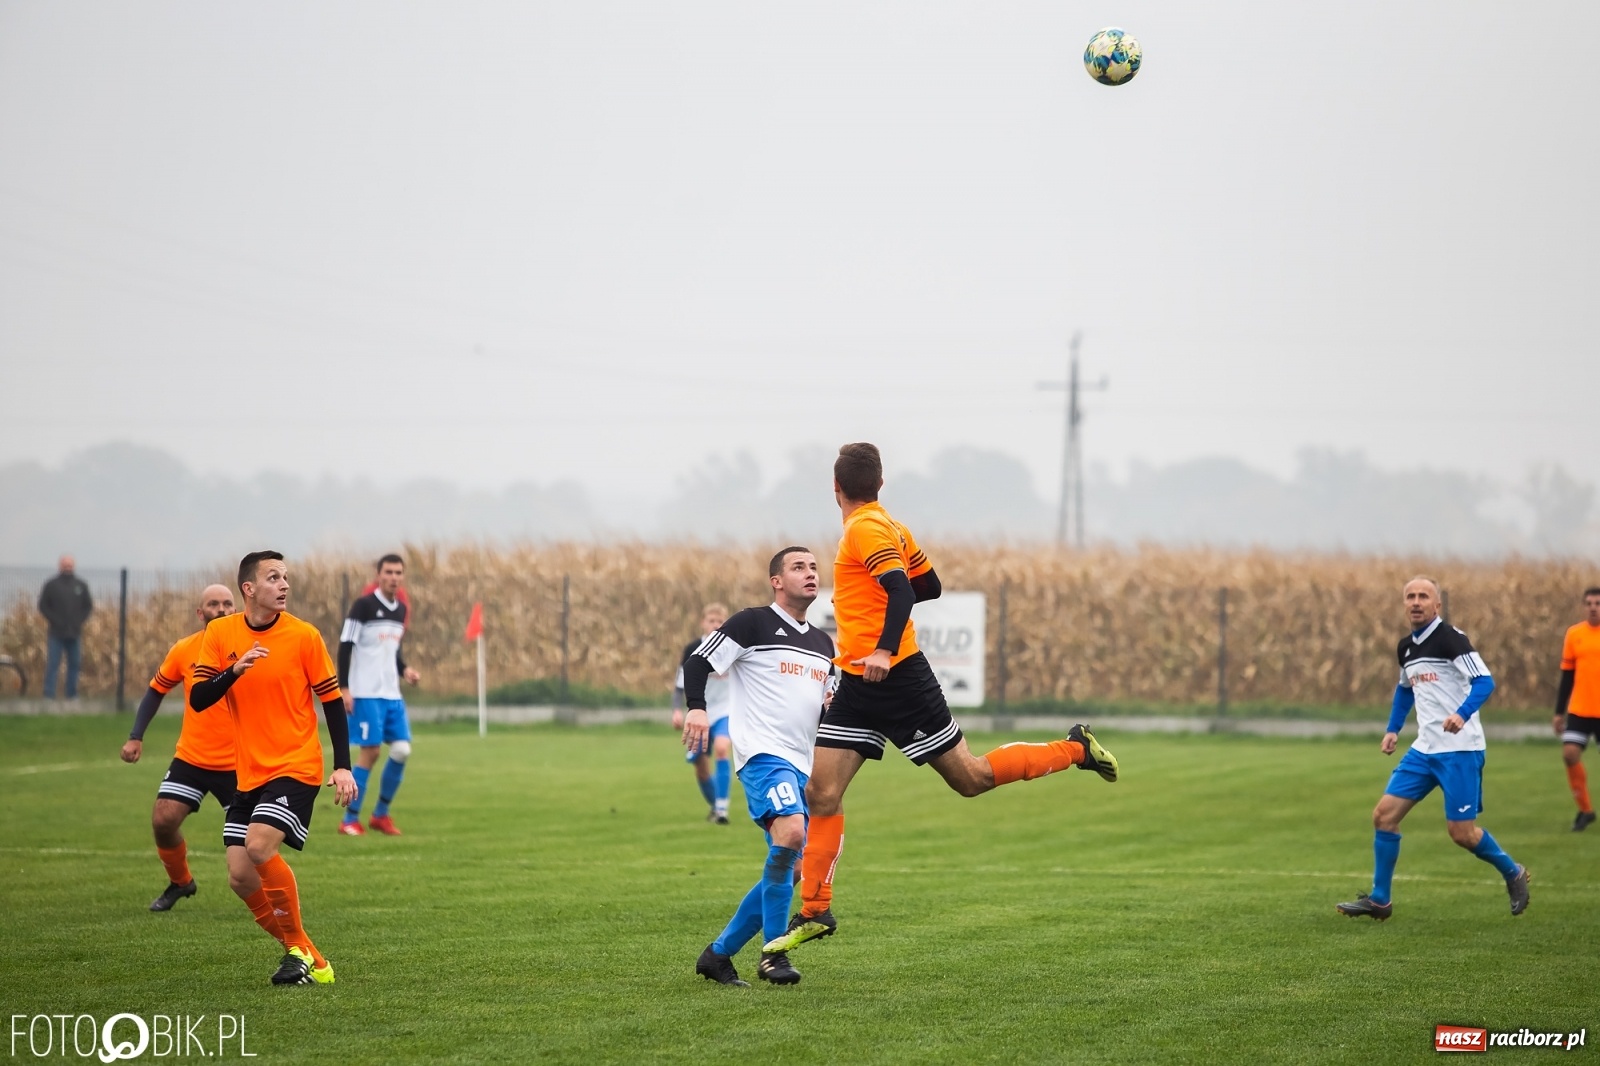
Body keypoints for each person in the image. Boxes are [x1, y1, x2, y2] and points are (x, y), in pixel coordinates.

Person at [769, 443, 1118, 955]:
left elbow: (907, 591)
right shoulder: (890, 526)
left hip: (898, 675)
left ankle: (1075, 748)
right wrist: (874, 611)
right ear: (880, 485)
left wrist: (885, 647)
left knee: (970, 779)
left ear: (835, 488)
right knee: (822, 793)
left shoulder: (866, 528)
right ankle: (816, 911)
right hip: (856, 680)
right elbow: (929, 583)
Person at [189, 551, 357, 985]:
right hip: (249, 774)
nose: (284, 585)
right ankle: (309, 957)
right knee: (241, 877)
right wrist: (233, 671)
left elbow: (332, 702)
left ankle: (297, 955)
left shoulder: (304, 636)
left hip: (297, 765)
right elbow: (199, 698)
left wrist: (343, 767)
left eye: (286, 577)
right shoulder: (221, 633)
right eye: (273, 578)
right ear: (249, 588)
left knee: (260, 846)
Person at [684, 547, 836, 987]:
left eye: (813, 567)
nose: (810, 574)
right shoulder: (750, 623)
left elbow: (822, 710)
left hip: (800, 763)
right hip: (762, 756)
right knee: (791, 833)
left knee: (789, 867)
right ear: (776, 580)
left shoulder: (825, 644)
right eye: (798, 567)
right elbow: (699, 660)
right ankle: (773, 955)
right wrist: (696, 708)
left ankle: (718, 954)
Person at [1337, 577, 1530, 921]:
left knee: (1462, 834)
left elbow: (1485, 681)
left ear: (1436, 605)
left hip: (1460, 750)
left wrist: (1462, 713)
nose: (1415, 602)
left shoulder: (1451, 640)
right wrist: (1393, 729)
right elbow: (1405, 689)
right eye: (1410, 596)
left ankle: (1512, 871)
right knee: (1383, 816)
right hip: (1424, 750)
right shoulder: (1406, 647)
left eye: (1423, 596)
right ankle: (1380, 900)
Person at [120, 584, 238, 911]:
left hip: (240, 762)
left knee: (250, 846)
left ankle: (272, 899)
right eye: (213, 604)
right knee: (163, 820)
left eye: (228, 603)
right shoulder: (185, 649)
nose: (222, 609)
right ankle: (181, 882)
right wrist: (135, 735)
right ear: (201, 613)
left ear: (237, 608)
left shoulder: (249, 649)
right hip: (193, 757)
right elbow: (156, 690)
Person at [337, 554, 421, 836]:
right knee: (370, 752)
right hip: (366, 693)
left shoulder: (400, 609)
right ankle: (350, 819)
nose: (394, 577)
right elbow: (346, 644)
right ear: (379, 574)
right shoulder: (363, 606)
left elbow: (392, 650)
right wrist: (345, 687)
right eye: (389, 572)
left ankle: (380, 815)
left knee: (402, 750)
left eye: (398, 572)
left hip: (391, 694)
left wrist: (405, 669)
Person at [670, 603, 733, 823]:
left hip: (726, 711)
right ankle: (716, 806)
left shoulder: (732, 648)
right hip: (701, 713)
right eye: (711, 621)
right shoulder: (693, 649)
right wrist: (677, 710)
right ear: (703, 623)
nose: (715, 625)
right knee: (701, 767)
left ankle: (723, 810)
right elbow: (679, 685)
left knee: (722, 748)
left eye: (720, 621)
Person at [1553, 586, 1600, 832]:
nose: (1593, 607)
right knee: (1569, 754)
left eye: (1598, 603)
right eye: (1589, 603)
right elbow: (1567, 676)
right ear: (1584, 606)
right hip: (1580, 709)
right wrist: (1559, 712)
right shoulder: (1574, 634)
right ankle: (1585, 810)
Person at [38, 555, 92, 700]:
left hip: (74, 633)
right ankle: (49, 694)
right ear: (60, 566)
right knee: (53, 664)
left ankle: (72, 694)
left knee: (74, 664)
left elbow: (88, 607)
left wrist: (78, 621)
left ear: (73, 566)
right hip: (56, 633)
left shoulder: (81, 585)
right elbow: (43, 606)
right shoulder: (51, 585)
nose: (67, 567)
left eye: (70, 565)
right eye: (65, 565)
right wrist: (55, 620)